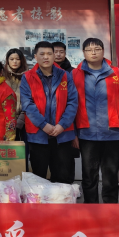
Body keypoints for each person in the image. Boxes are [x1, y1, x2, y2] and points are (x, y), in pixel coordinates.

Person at [70, 38, 119, 204]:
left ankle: (111, 209)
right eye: (89, 50)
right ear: (83, 53)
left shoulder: (116, 73)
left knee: (110, 176)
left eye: (97, 49)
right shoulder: (74, 74)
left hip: (112, 133)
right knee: (89, 175)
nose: (93, 52)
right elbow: (70, 106)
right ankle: (91, 209)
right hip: (86, 133)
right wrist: (73, 133)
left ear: (103, 51)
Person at [19, 41, 78, 183]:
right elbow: (27, 105)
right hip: (38, 135)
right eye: (42, 54)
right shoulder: (27, 77)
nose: (46, 57)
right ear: (35, 57)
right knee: (39, 177)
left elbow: (72, 102)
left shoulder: (65, 75)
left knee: (63, 178)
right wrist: (43, 125)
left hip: (62, 134)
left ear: (54, 56)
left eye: (49, 54)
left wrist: (62, 125)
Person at [5, 48, 28, 140]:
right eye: (11, 59)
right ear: (7, 61)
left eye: (17, 59)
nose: (14, 61)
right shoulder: (2, 76)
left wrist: (20, 121)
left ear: (22, 60)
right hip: (4, 121)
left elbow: (30, 100)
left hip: (23, 122)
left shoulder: (28, 76)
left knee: (21, 148)